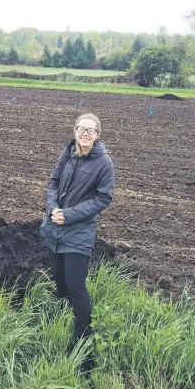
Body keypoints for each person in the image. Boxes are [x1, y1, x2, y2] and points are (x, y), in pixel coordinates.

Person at [40, 113, 115, 342]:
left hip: (79, 232)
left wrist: (69, 215)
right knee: (59, 279)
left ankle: (83, 338)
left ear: (97, 135)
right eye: (81, 129)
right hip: (54, 226)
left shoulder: (104, 163)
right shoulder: (68, 153)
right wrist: (54, 209)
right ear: (74, 131)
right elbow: (53, 182)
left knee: (75, 285)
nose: (84, 134)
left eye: (90, 131)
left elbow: (103, 198)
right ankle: (64, 314)